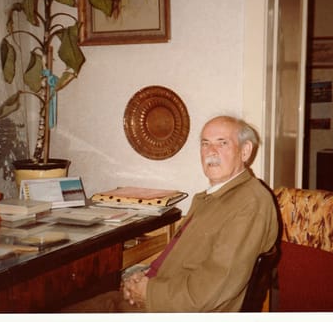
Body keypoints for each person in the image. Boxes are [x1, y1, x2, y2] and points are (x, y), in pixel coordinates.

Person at [63, 115, 279, 312]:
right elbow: (181, 257)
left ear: (245, 151)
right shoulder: (213, 197)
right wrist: (144, 278)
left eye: (222, 143)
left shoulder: (249, 203)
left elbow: (213, 286)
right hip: (168, 294)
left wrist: (148, 292)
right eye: (205, 144)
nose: (211, 151)